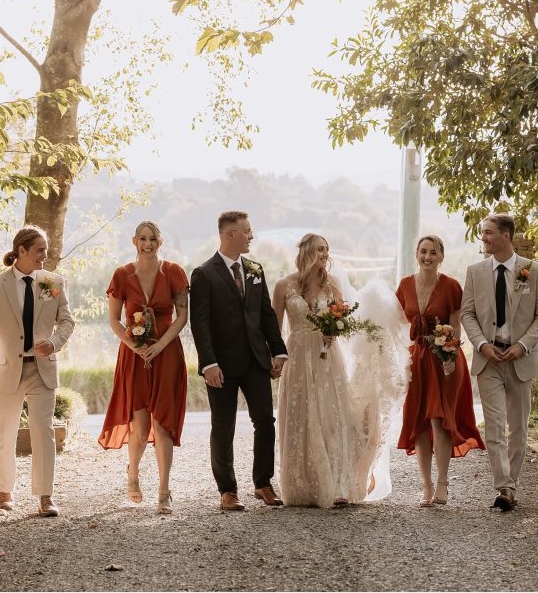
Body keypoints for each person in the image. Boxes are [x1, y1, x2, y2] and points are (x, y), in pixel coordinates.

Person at [273, 233, 387, 508]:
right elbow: (274, 331)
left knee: (331, 418)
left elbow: (345, 320)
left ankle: (337, 485)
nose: (324, 254)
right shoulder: (283, 285)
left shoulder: (332, 284)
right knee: (301, 416)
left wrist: (334, 333)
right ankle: (303, 486)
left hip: (327, 358)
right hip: (298, 356)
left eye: (326, 249)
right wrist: (275, 359)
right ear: (306, 251)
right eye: (319, 249)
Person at [0, 225, 75, 517]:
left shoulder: (52, 282)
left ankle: (45, 496)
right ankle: (5, 492)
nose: (45, 256)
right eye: (40, 250)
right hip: (6, 370)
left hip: (42, 370)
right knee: (5, 432)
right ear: (21, 251)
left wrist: (53, 343)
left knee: (44, 431)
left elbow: (67, 321)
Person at [189, 211, 288, 511]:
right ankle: (227, 491)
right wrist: (208, 364)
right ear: (230, 234)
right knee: (223, 426)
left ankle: (263, 484)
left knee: (265, 423)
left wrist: (279, 351)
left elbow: (267, 315)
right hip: (221, 366)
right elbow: (200, 323)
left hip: (257, 361)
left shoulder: (256, 269)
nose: (252, 236)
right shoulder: (203, 274)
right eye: (247, 231)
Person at [461, 214, 538, 511]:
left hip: (520, 359)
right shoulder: (475, 272)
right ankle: (505, 487)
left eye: (488, 233)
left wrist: (523, 345)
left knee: (518, 428)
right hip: (488, 359)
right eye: (483, 233)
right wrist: (482, 344)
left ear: (506, 235)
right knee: (495, 427)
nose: (484, 238)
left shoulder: (534, 271)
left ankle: (510, 486)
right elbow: (468, 314)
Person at [98, 221, 189, 515]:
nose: (147, 244)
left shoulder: (174, 272)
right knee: (140, 428)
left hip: (167, 354)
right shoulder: (122, 275)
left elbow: (182, 316)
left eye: (152, 239)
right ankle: (133, 474)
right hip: (134, 357)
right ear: (134, 240)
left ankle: (164, 491)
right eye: (142, 239)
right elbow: (114, 320)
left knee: (163, 424)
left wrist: (160, 345)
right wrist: (136, 347)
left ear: (160, 241)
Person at [396, 235, 485, 507]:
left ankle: (443, 483)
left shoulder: (450, 286)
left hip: (444, 358)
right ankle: (426, 486)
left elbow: (456, 325)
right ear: (416, 254)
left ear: (441, 256)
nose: (427, 256)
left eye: (433, 252)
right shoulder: (405, 285)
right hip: (418, 360)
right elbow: (400, 324)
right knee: (420, 422)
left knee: (439, 419)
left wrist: (450, 354)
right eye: (423, 251)